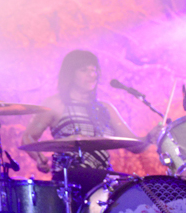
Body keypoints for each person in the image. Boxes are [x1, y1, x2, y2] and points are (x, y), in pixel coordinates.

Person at [21, 50, 150, 193]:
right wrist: (38, 158)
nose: (92, 75)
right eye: (84, 70)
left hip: (103, 180)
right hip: (70, 179)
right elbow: (29, 137)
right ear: (70, 75)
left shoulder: (106, 108)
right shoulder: (55, 104)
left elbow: (134, 145)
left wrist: (151, 137)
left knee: (138, 190)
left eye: (94, 70)